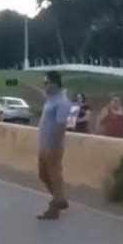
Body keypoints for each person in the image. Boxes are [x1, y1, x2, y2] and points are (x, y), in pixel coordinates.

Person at [37, 71, 71, 220]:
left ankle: (57, 204)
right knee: (43, 174)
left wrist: (54, 145)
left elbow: (61, 126)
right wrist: (18, 83)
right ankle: (59, 199)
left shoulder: (62, 102)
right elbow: (39, 94)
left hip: (53, 146)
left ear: (55, 84)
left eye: (47, 83)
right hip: (44, 144)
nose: (45, 86)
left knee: (54, 175)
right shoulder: (51, 98)